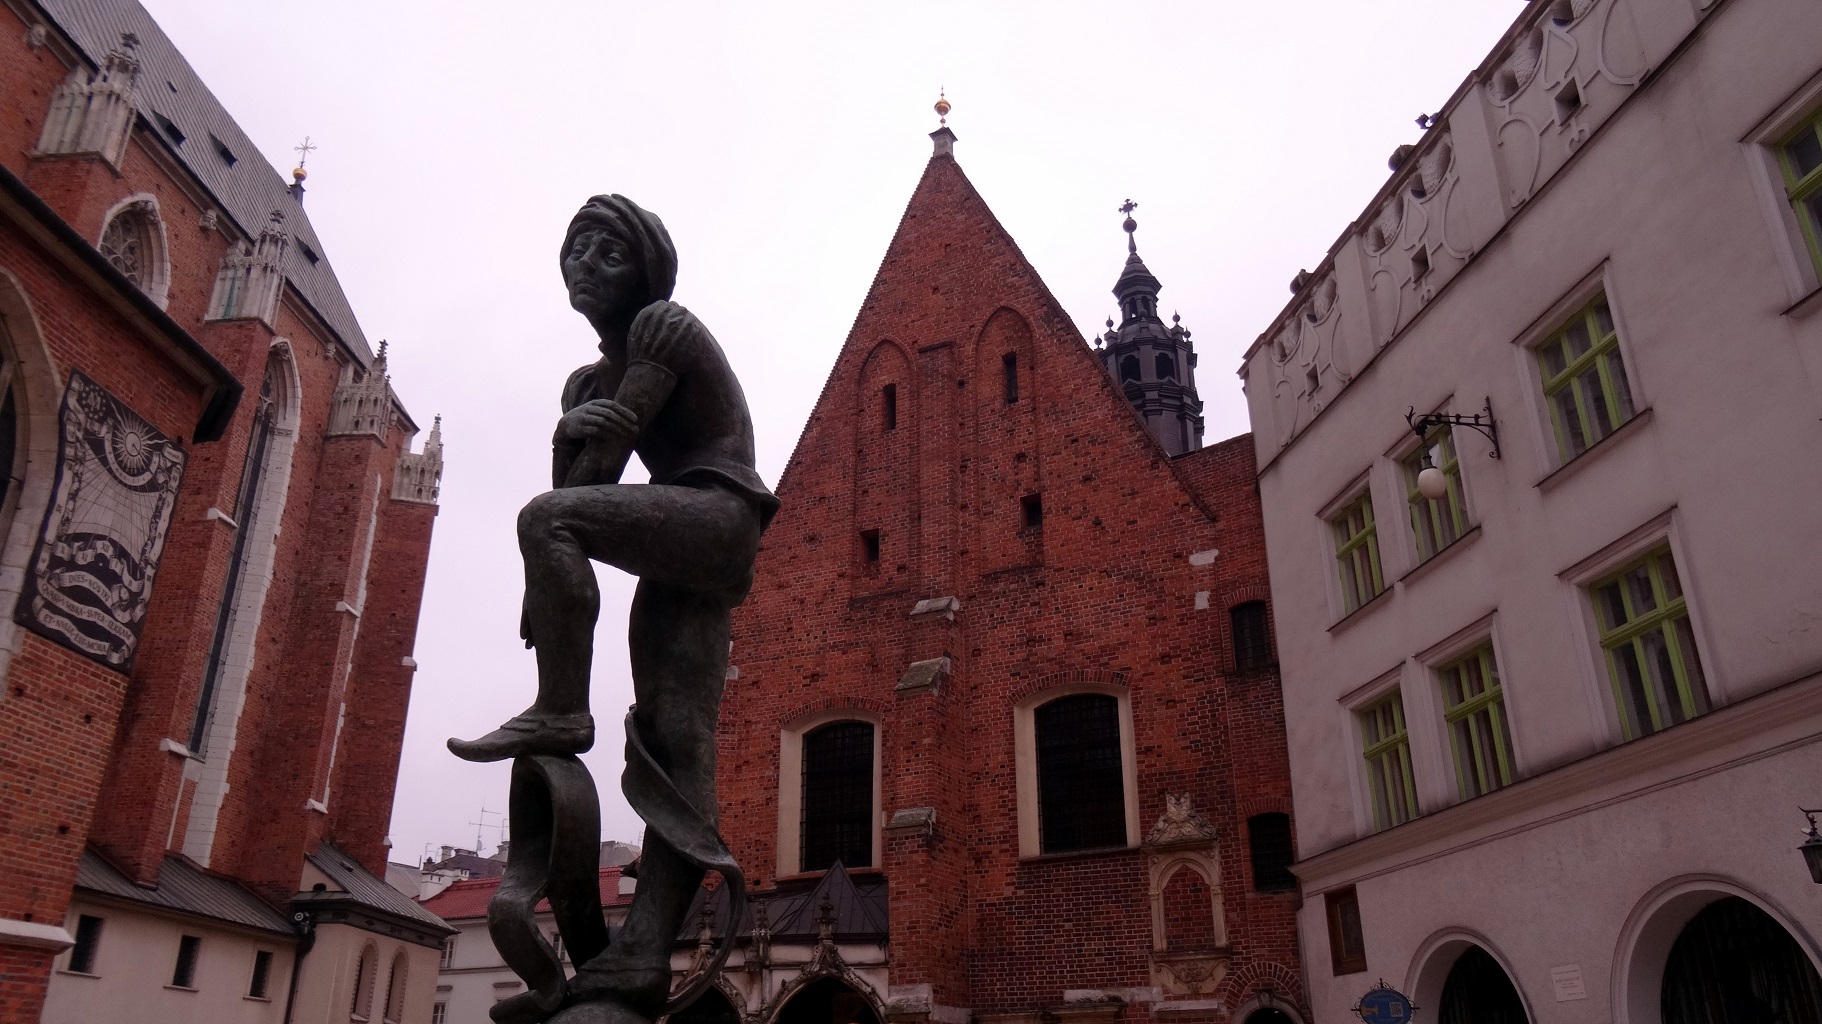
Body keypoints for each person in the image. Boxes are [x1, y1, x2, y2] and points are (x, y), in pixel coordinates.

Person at [449, 195, 776, 1016]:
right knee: (676, 739)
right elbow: (583, 486)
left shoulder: (663, 328)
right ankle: (635, 958)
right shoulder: (586, 378)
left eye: (608, 251)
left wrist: (586, 437)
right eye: (575, 248)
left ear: (648, 269)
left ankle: (560, 711)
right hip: (677, 547)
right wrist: (571, 436)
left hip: (719, 517)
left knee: (546, 521)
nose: (585, 264)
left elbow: (579, 494)